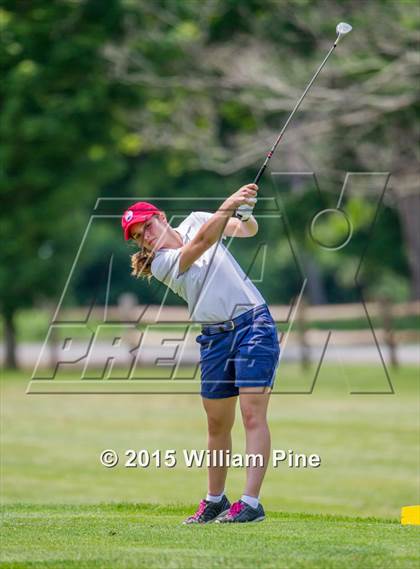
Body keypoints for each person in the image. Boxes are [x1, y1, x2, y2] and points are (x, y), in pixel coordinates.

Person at [121, 183, 280, 524]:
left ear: (161, 218)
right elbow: (204, 242)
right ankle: (215, 501)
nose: (145, 237)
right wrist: (229, 204)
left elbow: (246, 230)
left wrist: (246, 212)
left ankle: (250, 503)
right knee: (217, 423)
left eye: (147, 226)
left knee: (253, 415)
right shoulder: (162, 262)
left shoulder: (196, 219)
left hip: (253, 324)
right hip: (214, 339)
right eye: (138, 236)